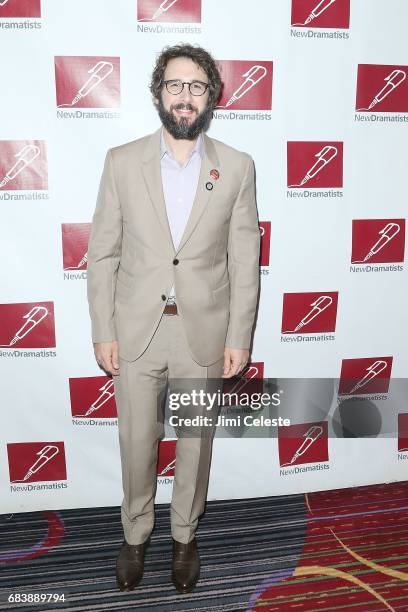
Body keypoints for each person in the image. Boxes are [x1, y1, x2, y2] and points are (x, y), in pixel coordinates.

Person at [86, 43, 260, 594]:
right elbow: (103, 254)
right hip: (137, 332)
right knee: (137, 443)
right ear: (159, 93)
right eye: (175, 85)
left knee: (196, 443)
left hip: (202, 334)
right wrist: (103, 330)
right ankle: (135, 534)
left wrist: (239, 336)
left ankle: (184, 535)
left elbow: (244, 259)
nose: (185, 97)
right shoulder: (121, 161)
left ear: (211, 96)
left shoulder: (236, 167)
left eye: (197, 86)